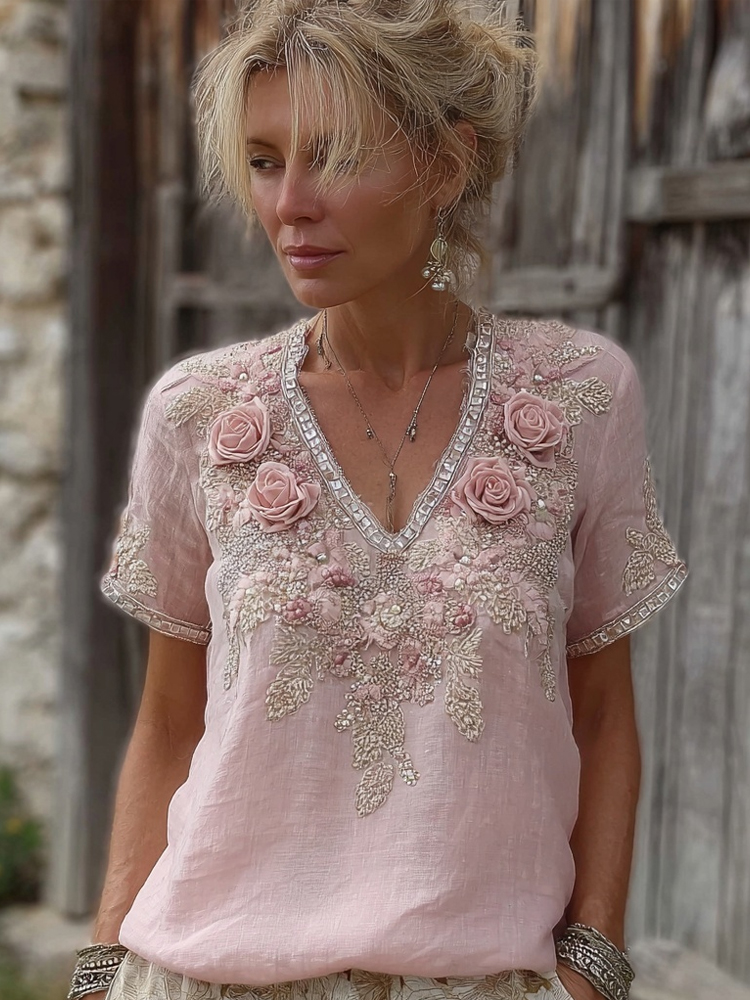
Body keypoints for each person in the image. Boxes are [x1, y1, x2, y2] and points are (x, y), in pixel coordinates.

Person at [68, 2, 689, 1000]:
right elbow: (169, 720)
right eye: (265, 161)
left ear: (446, 164)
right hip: (205, 973)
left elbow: (605, 710)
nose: (289, 205)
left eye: (337, 155)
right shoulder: (199, 414)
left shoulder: (579, 397)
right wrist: (100, 970)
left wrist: (594, 963)